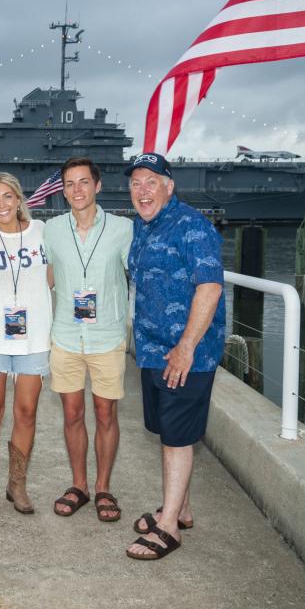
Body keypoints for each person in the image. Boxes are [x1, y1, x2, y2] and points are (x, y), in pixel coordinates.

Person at [124, 153, 225, 561]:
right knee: (167, 431)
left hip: (186, 355)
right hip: (151, 348)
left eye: (151, 181)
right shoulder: (142, 228)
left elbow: (210, 288)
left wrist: (185, 348)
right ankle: (179, 509)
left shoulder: (193, 227)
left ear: (170, 185)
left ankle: (169, 529)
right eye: (135, 183)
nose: (142, 190)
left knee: (177, 438)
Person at [43, 157, 133, 522]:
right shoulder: (50, 229)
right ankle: (79, 485)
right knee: (72, 413)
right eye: (69, 183)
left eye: (83, 182)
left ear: (97, 186)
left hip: (107, 335)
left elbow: (140, 273)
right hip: (65, 334)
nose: (77, 190)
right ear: (62, 190)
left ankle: (103, 487)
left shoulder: (123, 229)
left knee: (106, 413)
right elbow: (46, 275)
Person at [0, 173, 52, 526]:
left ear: (19, 199)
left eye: (7, 197)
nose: (1, 205)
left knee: (27, 411)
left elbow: (52, 276)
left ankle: (17, 485)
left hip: (33, 337)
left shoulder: (42, 232)